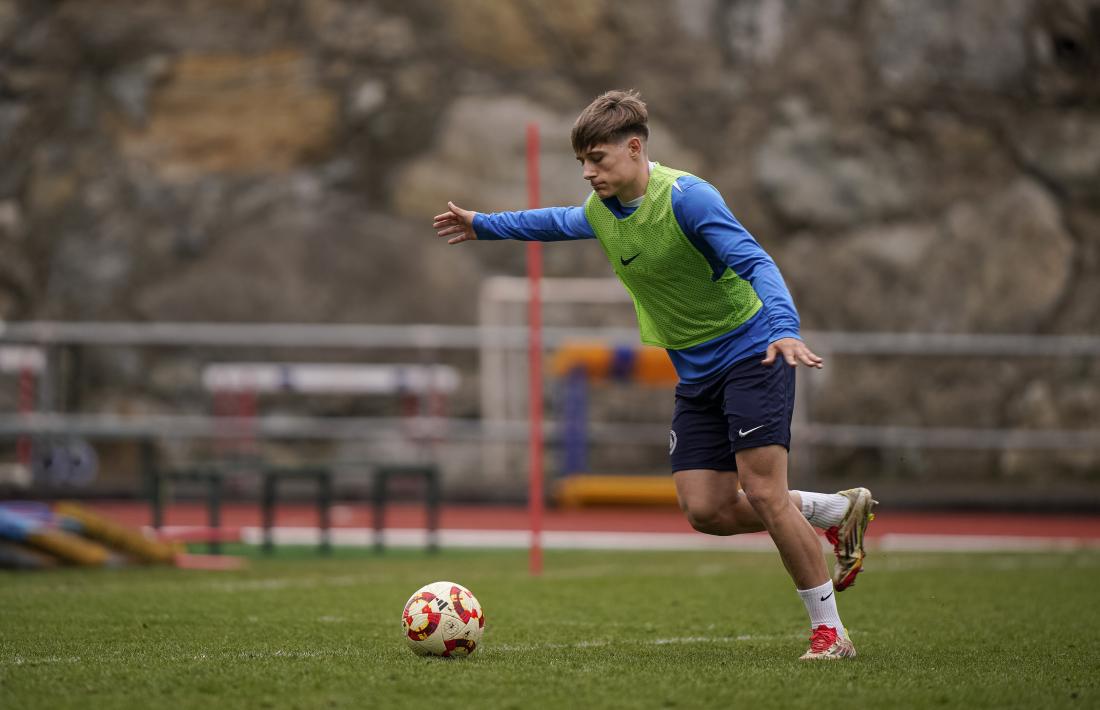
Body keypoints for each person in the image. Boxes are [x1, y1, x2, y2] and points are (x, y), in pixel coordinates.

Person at [433, 89, 876, 660]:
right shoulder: (602, 211)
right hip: (695, 371)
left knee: (764, 492)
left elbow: (756, 261)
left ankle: (830, 632)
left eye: (598, 159)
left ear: (635, 147)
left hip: (753, 352)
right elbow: (554, 221)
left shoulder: (689, 199)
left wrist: (786, 327)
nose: (589, 173)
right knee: (706, 510)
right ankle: (835, 512)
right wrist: (482, 225)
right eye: (582, 163)